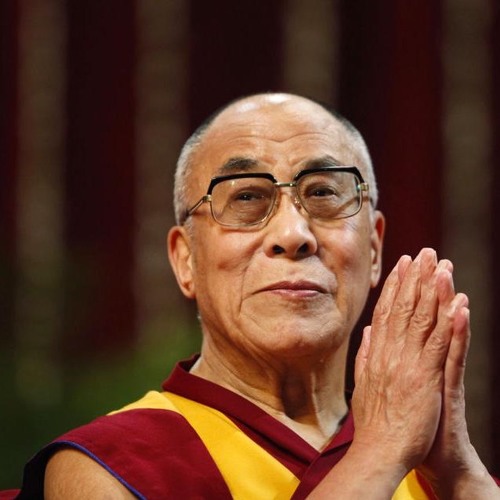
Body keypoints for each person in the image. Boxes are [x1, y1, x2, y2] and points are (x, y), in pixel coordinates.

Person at [8, 93, 500, 499]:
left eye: (325, 193)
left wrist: (461, 475)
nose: (293, 232)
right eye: (246, 197)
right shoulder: (111, 468)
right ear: (185, 260)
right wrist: (379, 454)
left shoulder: (438, 474)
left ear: (373, 249)